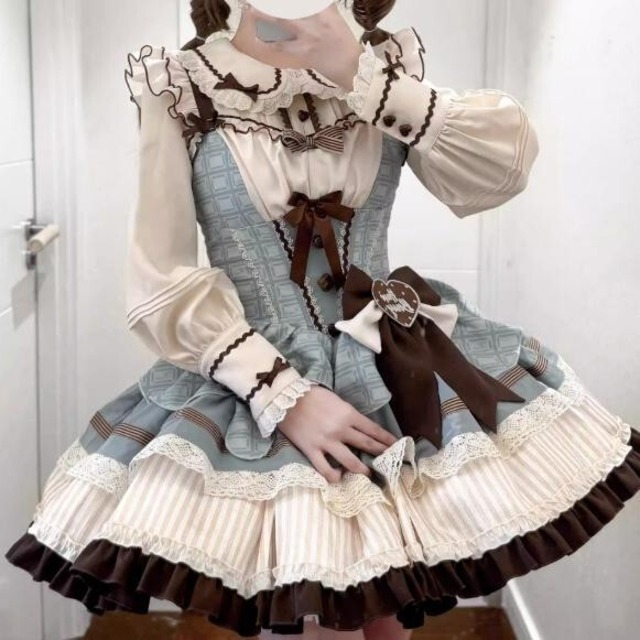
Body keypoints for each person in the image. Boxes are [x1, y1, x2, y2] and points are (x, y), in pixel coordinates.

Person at [7, 1, 640, 639]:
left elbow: (500, 169)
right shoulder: (181, 87)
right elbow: (159, 278)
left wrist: (360, 72)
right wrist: (283, 394)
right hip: (253, 378)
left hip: (394, 362)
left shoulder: (383, 65)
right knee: (316, 598)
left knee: (387, 600)